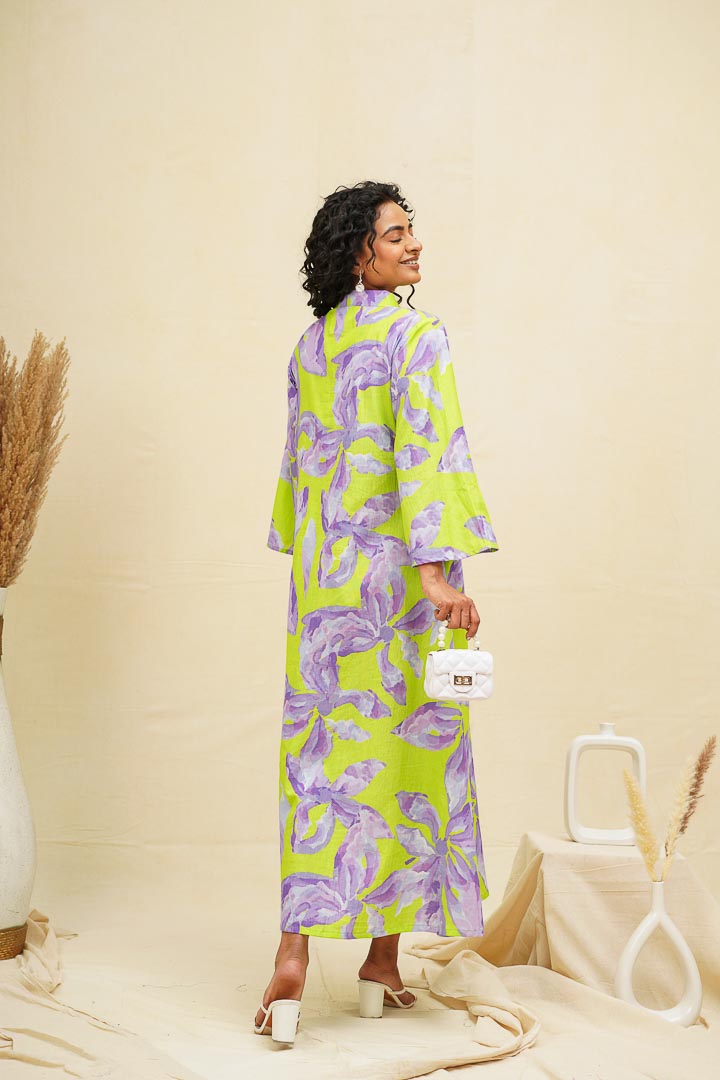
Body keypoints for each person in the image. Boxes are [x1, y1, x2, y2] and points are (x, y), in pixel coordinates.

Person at [255, 181, 499, 1044]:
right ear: (359, 252)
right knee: (405, 759)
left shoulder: (311, 345)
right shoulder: (416, 336)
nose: (414, 245)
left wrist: (313, 554)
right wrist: (435, 573)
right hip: (395, 588)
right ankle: (379, 961)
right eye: (396, 235)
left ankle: (297, 955)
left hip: (326, 588)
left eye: (410, 231)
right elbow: (426, 450)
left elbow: (298, 473)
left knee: (320, 763)